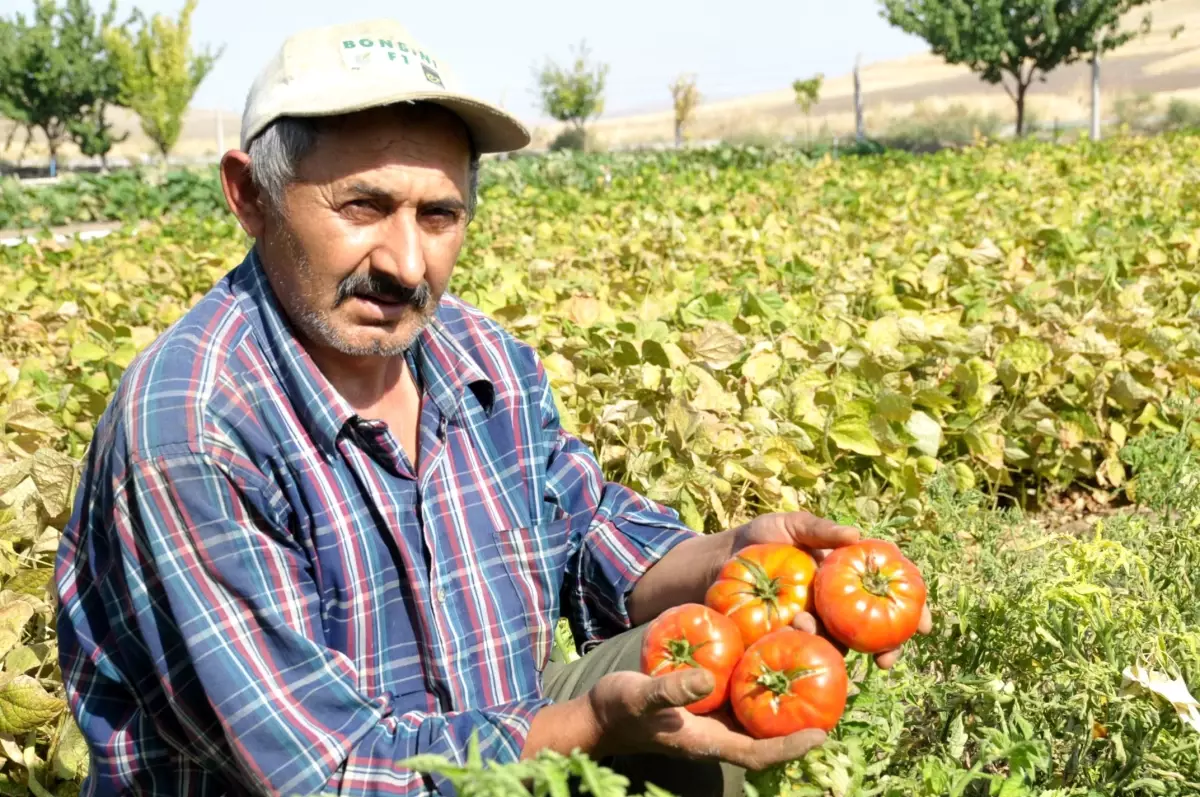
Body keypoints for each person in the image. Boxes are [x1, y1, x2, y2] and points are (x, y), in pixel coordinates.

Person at [54, 19, 930, 797]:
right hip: (329, 775)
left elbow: (591, 536)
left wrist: (734, 560)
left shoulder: (477, 357)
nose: (404, 262)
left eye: (439, 215)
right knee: (640, 705)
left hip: (493, 726)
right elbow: (327, 772)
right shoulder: (195, 427)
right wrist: (589, 724)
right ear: (249, 194)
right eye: (362, 205)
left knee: (690, 665)